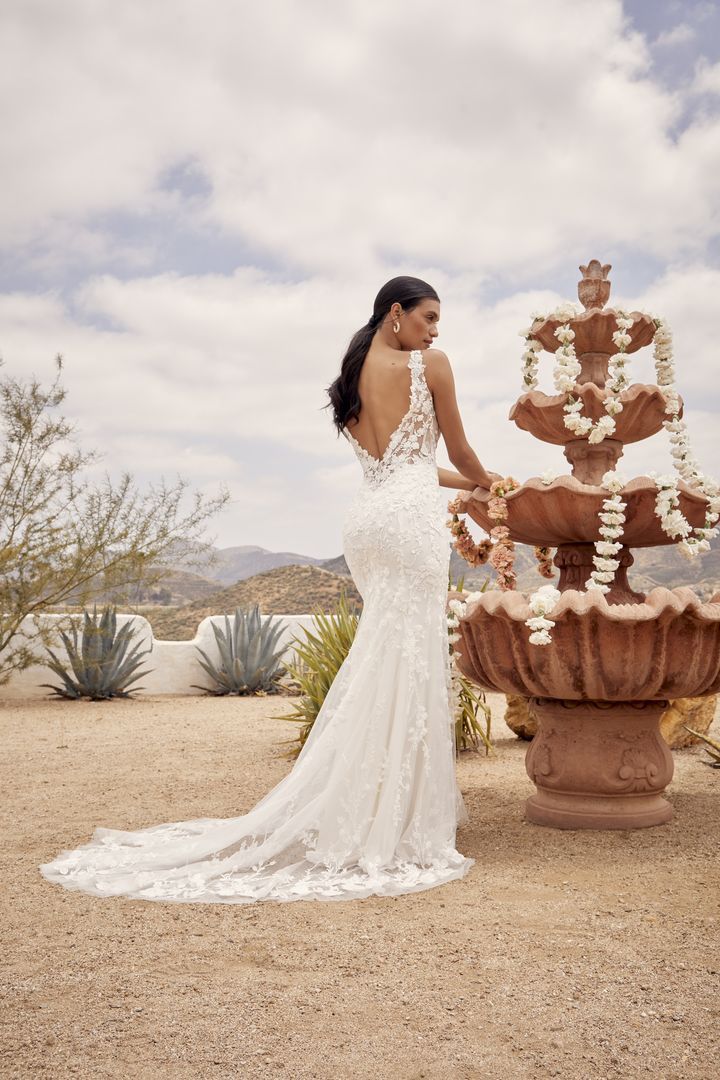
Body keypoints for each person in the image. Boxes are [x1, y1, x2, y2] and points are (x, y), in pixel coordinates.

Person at [40, 276, 498, 904]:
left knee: (387, 654)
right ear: (397, 313)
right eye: (429, 316)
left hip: (369, 522)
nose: (436, 330)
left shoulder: (353, 378)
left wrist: (466, 485)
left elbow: (409, 464)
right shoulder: (431, 365)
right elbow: (460, 449)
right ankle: (392, 815)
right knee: (406, 656)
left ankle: (372, 804)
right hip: (409, 525)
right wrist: (494, 485)